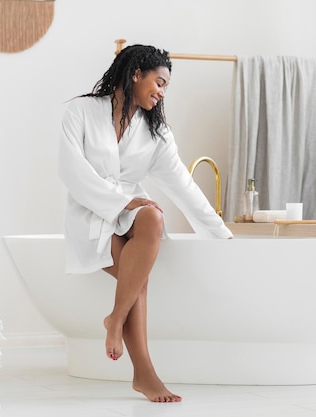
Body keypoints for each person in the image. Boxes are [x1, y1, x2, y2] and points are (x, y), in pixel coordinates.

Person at [58, 44, 233, 403]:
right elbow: (71, 172)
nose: (162, 92)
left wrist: (220, 234)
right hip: (89, 211)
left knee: (153, 214)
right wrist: (120, 201)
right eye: (159, 81)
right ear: (136, 73)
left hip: (129, 212)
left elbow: (182, 186)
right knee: (135, 280)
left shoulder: (156, 133)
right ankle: (145, 374)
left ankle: (115, 320)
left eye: (166, 86)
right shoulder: (81, 111)